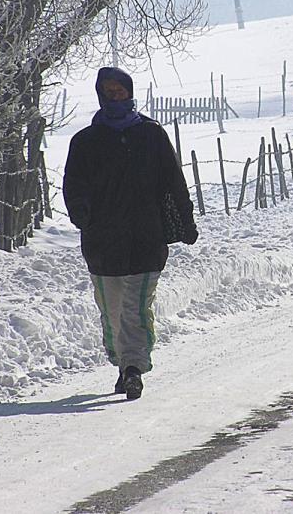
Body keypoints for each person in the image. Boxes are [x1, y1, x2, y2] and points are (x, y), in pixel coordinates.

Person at [63, 67, 197, 400]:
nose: (115, 96)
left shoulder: (151, 135)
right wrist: (83, 215)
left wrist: (186, 219)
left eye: (120, 90)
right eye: (108, 91)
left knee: (136, 308)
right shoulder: (86, 142)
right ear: (100, 94)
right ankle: (122, 361)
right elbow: (73, 185)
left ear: (129, 92)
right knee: (111, 310)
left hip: (145, 240)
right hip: (103, 243)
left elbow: (173, 180)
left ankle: (134, 366)